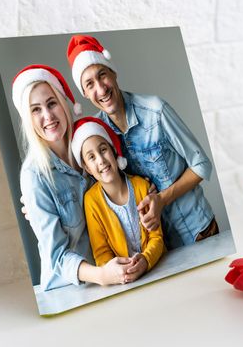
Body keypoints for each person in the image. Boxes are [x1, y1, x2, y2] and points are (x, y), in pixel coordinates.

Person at [66, 35, 219, 250]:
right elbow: (85, 180)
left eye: (103, 75)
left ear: (114, 73)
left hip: (198, 231)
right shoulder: (97, 135)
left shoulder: (156, 110)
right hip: (157, 246)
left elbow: (202, 165)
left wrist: (162, 199)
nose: (100, 89)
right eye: (89, 84)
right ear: (84, 93)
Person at [12, 64, 133, 291]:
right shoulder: (34, 176)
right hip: (70, 290)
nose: (47, 116)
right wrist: (102, 275)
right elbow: (57, 257)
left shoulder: (89, 145)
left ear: (63, 103)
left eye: (51, 103)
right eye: (35, 109)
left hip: (114, 274)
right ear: (28, 119)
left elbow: (121, 185)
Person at [71, 117, 165, 282]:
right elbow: (101, 253)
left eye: (103, 149)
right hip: (122, 281)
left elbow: (156, 237)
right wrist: (119, 272)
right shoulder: (91, 201)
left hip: (158, 269)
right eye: (91, 157)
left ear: (113, 151)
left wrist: (146, 260)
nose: (101, 160)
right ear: (87, 167)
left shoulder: (142, 186)